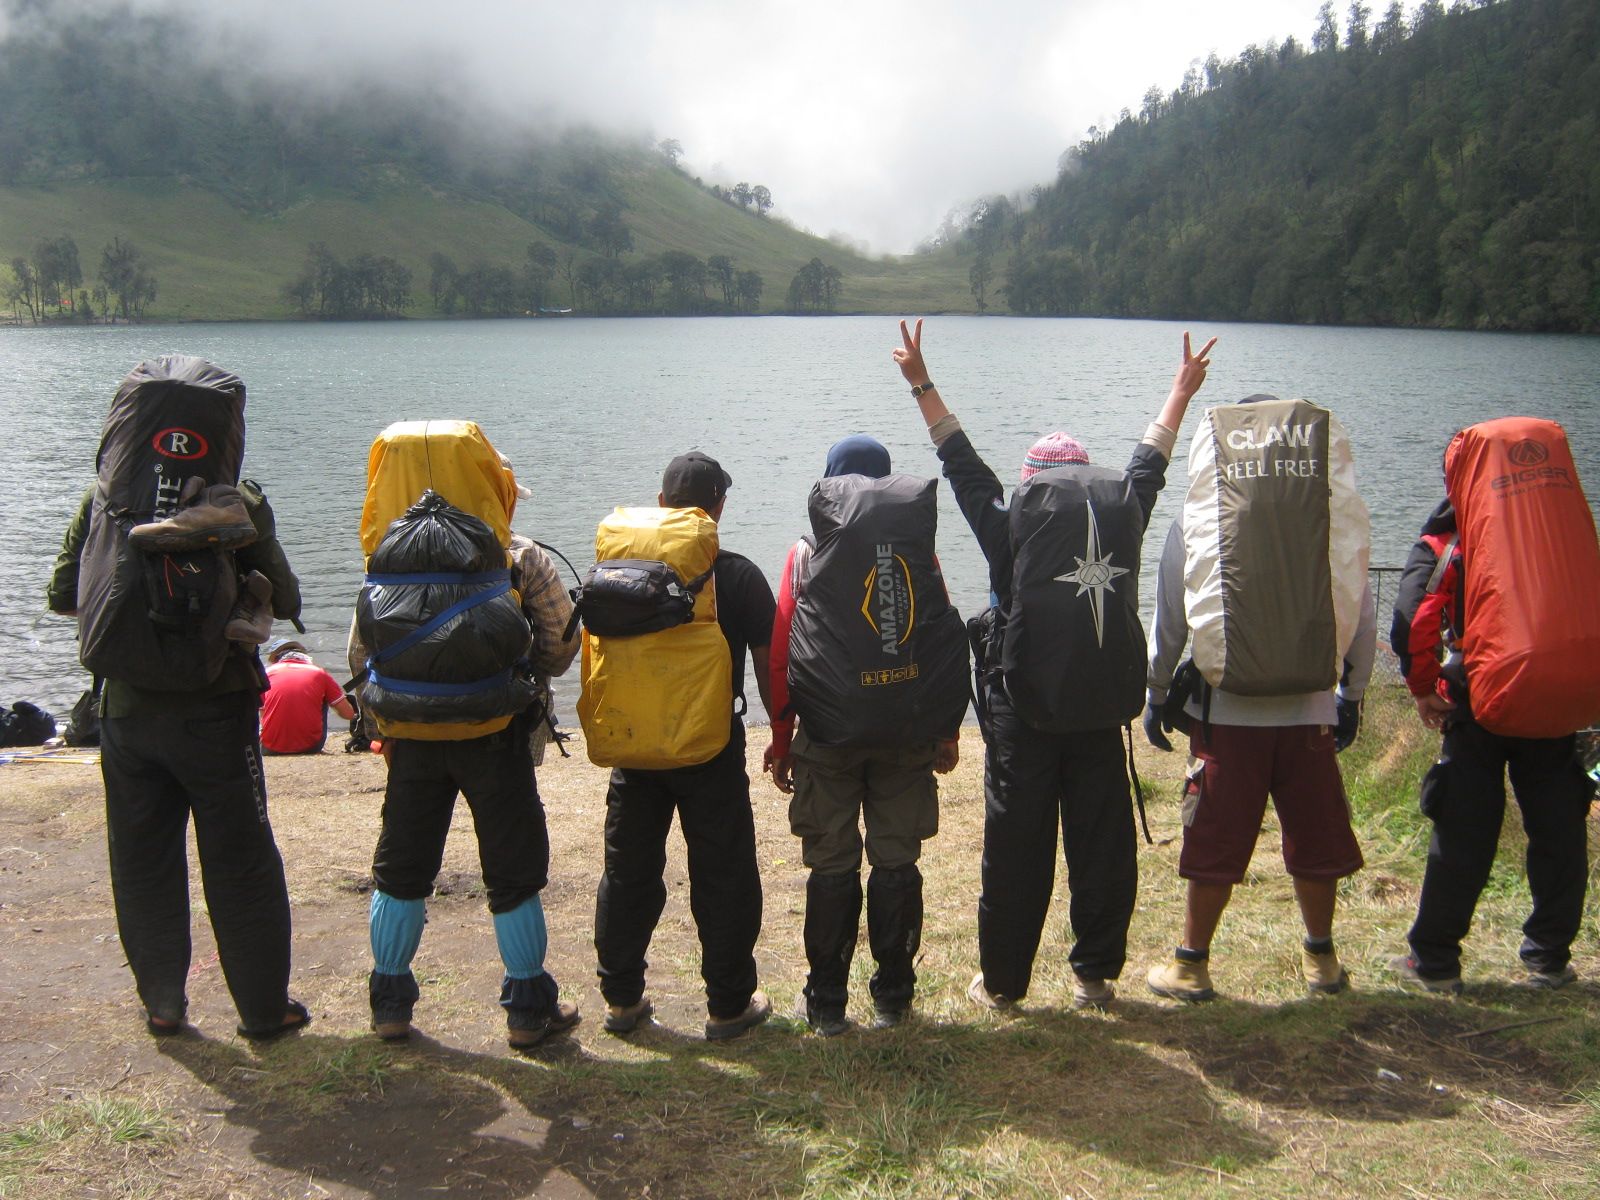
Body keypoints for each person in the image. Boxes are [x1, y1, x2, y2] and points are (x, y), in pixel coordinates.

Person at [894, 319, 1215, 1010]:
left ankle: (1005, 985)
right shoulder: (1124, 509)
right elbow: (1150, 458)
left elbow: (962, 464)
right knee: (1101, 843)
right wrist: (1179, 392)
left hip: (1023, 707)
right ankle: (1094, 977)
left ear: (1032, 486)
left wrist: (921, 382)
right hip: (1100, 704)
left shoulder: (1009, 525)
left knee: (1018, 846)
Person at [48, 355, 309, 1040]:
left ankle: (165, 1003)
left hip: (127, 712)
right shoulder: (239, 500)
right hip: (216, 714)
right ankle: (263, 1010)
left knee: (141, 858)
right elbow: (287, 599)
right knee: (242, 859)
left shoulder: (104, 498)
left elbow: (59, 594)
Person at [350, 423, 581, 1048]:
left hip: (413, 740)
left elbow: (360, 653)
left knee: (401, 867)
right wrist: (519, 669)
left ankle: (390, 1004)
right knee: (512, 870)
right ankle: (528, 1010)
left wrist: (392, 718)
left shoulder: (386, 556)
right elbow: (562, 649)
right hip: (499, 734)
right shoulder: (521, 556)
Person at [1142, 397, 1376, 999]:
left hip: (1227, 712)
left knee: (1215, 836)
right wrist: (1351, 692)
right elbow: (1358, 607)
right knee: (1313, 832)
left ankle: (1191, 964)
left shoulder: (1197, 515)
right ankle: (1322, 960)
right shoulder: (1327, 510)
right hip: (1310, 709)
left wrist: (1157, 690)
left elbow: (1172, 616)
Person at [763, 435, 962, 1035]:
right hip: (904, 730)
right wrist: (946, 728)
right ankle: (894, 1000)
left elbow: (780, 655)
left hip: (827, 736)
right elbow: (942, 641)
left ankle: (826, 1005)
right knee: (897, 859)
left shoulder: (804, 553)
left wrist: (780, 735)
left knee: (832, 864)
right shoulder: (919, 553)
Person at [1387, 439, 1595, 993]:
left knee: (1464, 826)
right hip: (1557, 699)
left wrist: (1422, 687)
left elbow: (1413, 619)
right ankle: (1549, 958)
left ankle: (1434, 962)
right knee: (1558, 826)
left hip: (1480, 697)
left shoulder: (1452, 536)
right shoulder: (1563, 530)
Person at [593, 452, 777, 1040]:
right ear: (718, 507)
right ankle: (728, 1007)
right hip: (710, 747)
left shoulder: (620, 569)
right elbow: (773, 665)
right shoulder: (738, 575)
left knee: (628, 871)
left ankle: (622, 1000)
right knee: (723, 874)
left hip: (633, 745)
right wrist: (786, 735)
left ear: (661, 502)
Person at [260, 638, 355, 755]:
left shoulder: (266, 674)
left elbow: (263, 717)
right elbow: (348, 714)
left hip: (270, 748)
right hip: (310, 747)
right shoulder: (319, 673)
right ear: (302, 655)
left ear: (275, 659)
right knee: (322, 694)